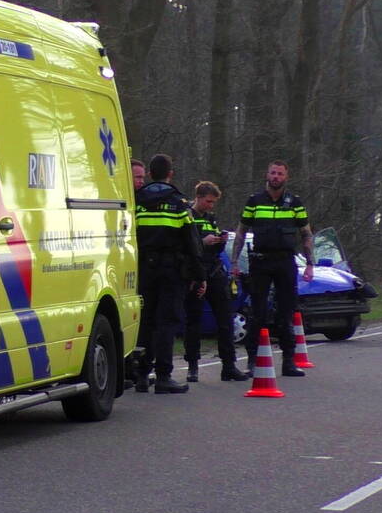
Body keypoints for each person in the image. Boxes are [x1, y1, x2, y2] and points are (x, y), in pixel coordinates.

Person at [231, 160, 314, 377]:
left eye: (280, 174)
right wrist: (234, 262)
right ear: (267, 175)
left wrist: (310, 264)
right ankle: (253, 361)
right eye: (273, 173)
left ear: (286, 177)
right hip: (260, 262)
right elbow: (241, 232)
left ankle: (289, 362)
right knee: (257, 313)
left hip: (285, 261)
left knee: (287, 312)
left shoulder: (295, 202)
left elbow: (306, 234)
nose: (276, 177)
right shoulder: (255, 201)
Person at [134, 154, 205, 394]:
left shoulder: (137, 201)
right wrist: (200, 275)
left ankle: (141, 375)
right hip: (172, 271)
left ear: (150, 174)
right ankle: (163, 375)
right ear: (170, 174)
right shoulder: (178, 202)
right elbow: (192, 241)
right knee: (167, 321)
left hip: (144, 269)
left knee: (145, 321)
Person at [183, 181, 249, 382]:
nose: (211, 206)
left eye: (213, 202)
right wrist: (203, 242)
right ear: (199, 197)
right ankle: (192, 366)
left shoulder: (211, 218)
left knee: (225, 319)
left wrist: (220, 241)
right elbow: (185, 245)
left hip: (215, 272)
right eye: (209, 201)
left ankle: (229, 365)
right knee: (193, 321)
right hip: (195, 273)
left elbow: (215, 248)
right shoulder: (186, 216)